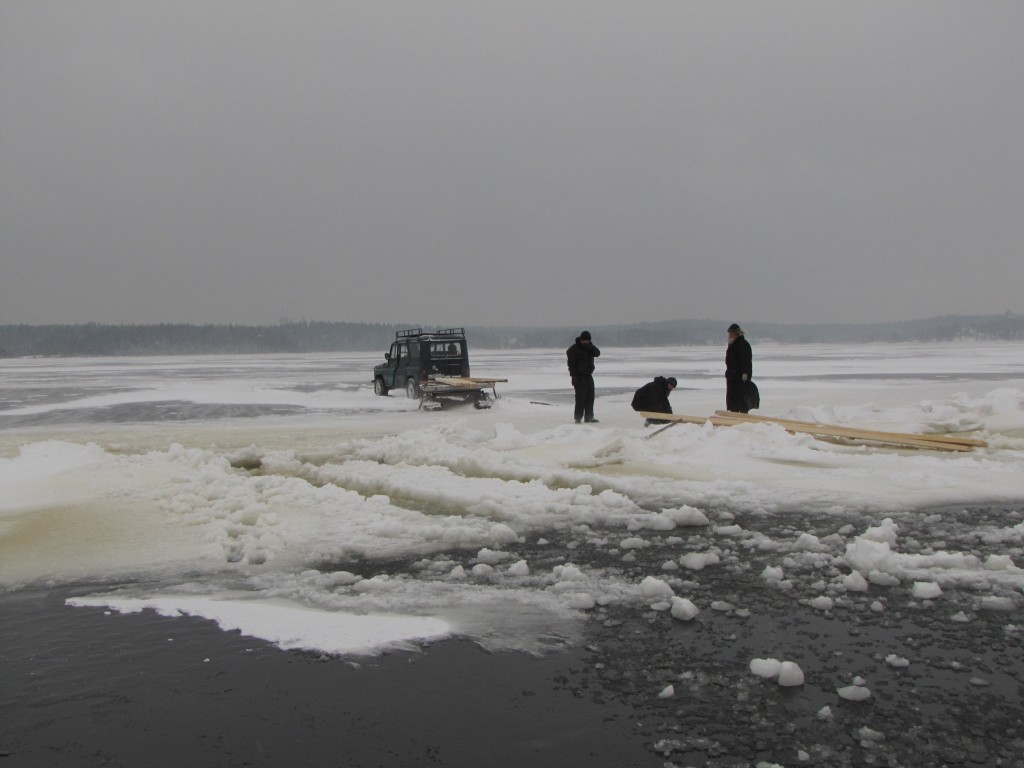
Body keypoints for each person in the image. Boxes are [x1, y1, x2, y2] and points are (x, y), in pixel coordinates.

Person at [566, 330, 600, 423]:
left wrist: (590, 347)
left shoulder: (589, 348)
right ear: (581, 340)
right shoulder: (574, 349)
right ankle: (578, 417)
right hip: (579, 377)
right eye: (584, 340)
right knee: (580, 398)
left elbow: (597, 353)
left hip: (588, 376)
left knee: (590, 397)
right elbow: (571, 365)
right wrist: (573, 376)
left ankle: (589, 416)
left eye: (587, 340)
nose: (585, 342)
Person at [725, 322, 754, 413]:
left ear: (736, 334)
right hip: (732, 377)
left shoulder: (743, 345)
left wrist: (745, 373)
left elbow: (746, 361)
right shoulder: (732, 345)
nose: (729, 335)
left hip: (740, 378)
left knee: (742, 401)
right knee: (733, 403)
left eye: (731, 333)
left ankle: (742, 418)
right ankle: (734, 416)